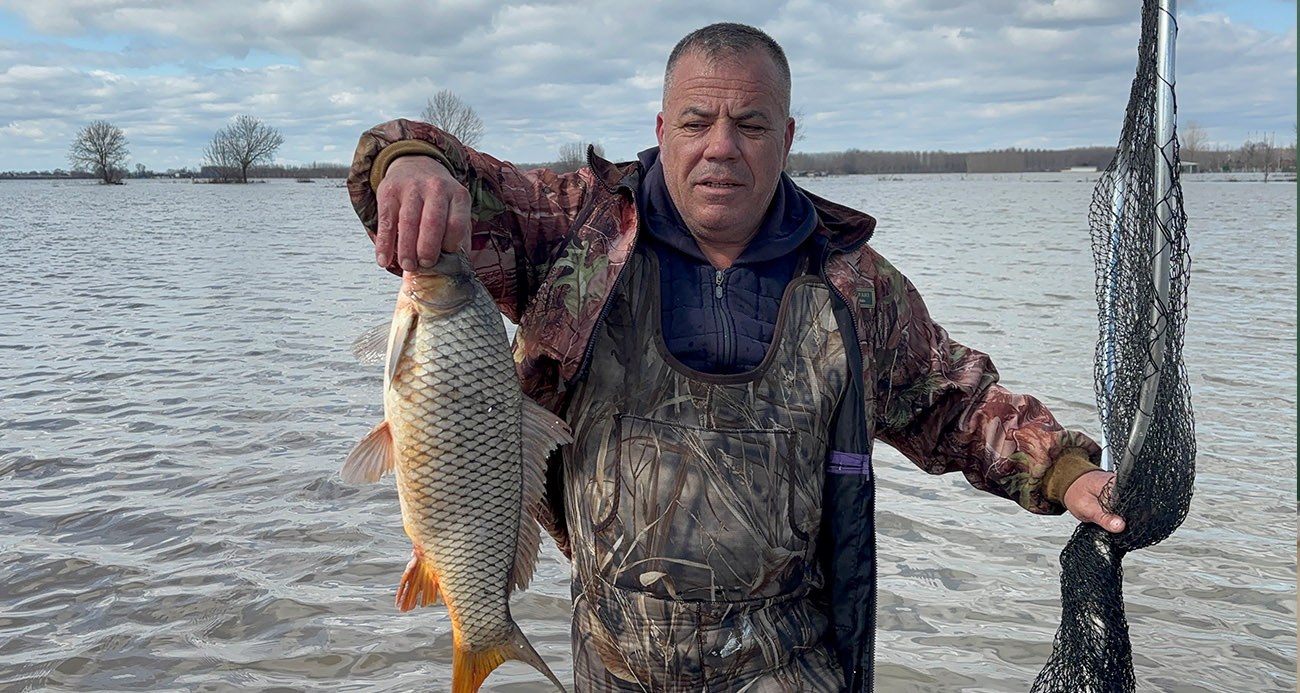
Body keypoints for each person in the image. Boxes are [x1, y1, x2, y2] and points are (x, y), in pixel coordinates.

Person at [346, 22, 1124, 693]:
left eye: (751, 125)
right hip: (611, 659)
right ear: (660, 129)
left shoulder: (850, 281)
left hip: (788, 661)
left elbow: (948, 401)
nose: (722, 146)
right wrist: (409, 163)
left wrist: (1066, 472)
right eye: (697, 121)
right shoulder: (573, 236)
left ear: (786, 138)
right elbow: (424, 162)